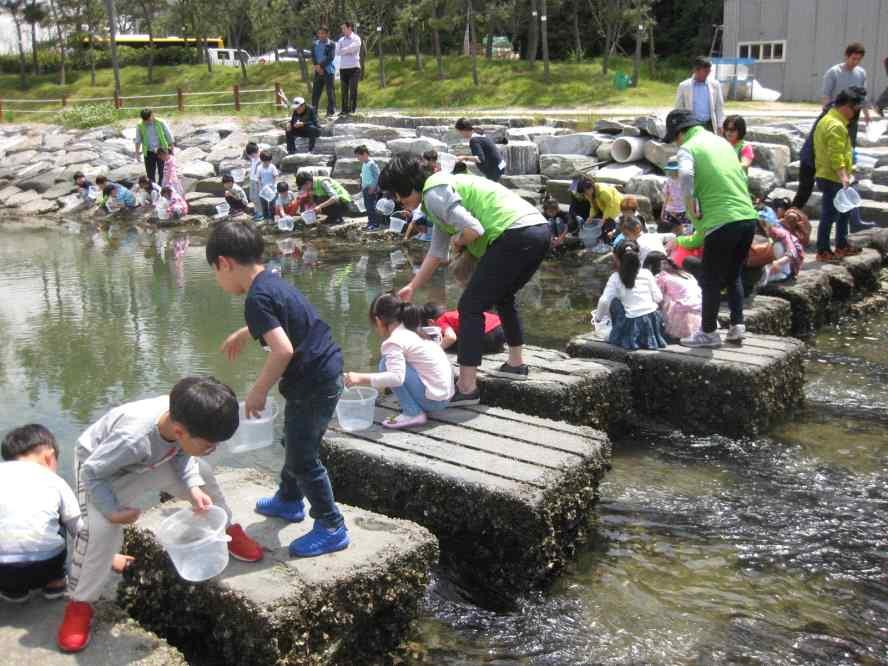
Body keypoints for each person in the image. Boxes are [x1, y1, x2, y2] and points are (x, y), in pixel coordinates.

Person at [57, 377, 262, 653]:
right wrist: (112, 511)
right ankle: (80, 603)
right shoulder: (133, 439)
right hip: (102, 470)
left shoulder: (186, 417)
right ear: (179, 431)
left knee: (203, 473)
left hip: (155, 455)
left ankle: (226, 528)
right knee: (100, 529)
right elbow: (93, 472)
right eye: (210, 445)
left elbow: (182, 454)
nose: (214, 449)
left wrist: (191, 485)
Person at [207, 220, 348, 558]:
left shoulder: (256, 298)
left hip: (312, 379)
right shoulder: (270, 279)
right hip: (322, 372)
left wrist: (258, 390)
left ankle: (331, 525)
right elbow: (284, 316)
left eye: (215, 271)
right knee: (294, 438)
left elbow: (282, 350)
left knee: (303, 457)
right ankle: (288, 499)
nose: (218, 279)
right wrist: (246, 332)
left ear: (225, 263)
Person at [379, 156, 551, 405]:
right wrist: (412, 286)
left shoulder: (434, 194)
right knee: (503, 297)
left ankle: (467, 387)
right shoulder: (436, 196)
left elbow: (474, 229)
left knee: (470, 307)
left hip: (514, 233)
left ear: (408, 185)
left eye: (398, 193)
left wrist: (459, 242)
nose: (397, 199)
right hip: (537, 229)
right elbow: (437, 253)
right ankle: (516, 364)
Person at [664, 108, 758, 348]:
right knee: (733, 274)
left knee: (710, 279)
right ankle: (737, 326)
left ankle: (708, 333)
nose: (675, 143)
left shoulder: (689, 147)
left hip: (721, 220)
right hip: (747, 218)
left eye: (674, 138)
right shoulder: (722, 143)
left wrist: (691, 198)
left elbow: (684, 173)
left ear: (680, 132)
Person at [344, 295, 454, 429]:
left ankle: (413, 413)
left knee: (384, 364)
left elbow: (396, 378)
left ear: (378, 321)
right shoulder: (413, 330)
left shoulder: (394, 341)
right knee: (389, 363)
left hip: (433, 402)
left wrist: (360, 378)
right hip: (444, 398)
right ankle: (416, 408)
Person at [814, 88, 865, 262]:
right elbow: (835, 155)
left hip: (830, 174)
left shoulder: (828, 120)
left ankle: (842, 245)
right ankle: (823, 250)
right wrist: (843, 176)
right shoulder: (835, 125)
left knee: (845, 211)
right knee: (830, 214)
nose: (855, 113)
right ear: (846, 106)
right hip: (832, 177)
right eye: (855, 109)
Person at [594, 240, 667, 350]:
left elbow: (604, 301)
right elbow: (658, 298)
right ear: (638, 255)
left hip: (632, 322)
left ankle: (618, 331)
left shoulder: (615, 277)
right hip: (653, 320)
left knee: (614, 301)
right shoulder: (646, 273)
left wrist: (598, 319)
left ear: (616, 258)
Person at [822, 42, 872, 146]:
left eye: (859, 59)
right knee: (835, 144)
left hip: (853, 115)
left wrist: (866, 114)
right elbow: (826, 95)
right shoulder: (833, 72)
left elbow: (863, 96)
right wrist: (828, 116)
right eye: (853, 58)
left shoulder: (861, 73)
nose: (856, 62)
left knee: (850, 144)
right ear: (846, 56)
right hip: (837, 114)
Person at [420, 302, 506, 354]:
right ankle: (497, 346)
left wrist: (436, 349)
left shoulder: (440, 320)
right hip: (501, 327)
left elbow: (451, 337)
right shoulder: (452, 314)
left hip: (489, 334)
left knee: (454, 345)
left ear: (430, 322)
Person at [674, 56, 725, 134]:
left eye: (709, 71)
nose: (707, 74)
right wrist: (680, 127)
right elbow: (678, 108)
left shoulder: (715, 85)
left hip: (709, 125)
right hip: (692, 126)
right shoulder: (684, 86)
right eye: (705, 71)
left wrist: (720, 125)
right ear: (696, 70)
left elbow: (719, 107)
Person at [569, 176, 622, 251]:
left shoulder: (603, 192)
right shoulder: (589, 194)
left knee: (607, 224)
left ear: (591, 187)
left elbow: (610, 206)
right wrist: (590, 217)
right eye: (583, 193)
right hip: (603, 207)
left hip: (616, 206)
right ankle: (600, 241)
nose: (585, 195)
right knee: (596, 221)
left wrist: (604, 218)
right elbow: (593, 206)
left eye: (586, 192)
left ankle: (608, 244)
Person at [655, 259, 702, 340]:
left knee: (663, 296)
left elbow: (657, 296)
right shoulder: (687, 275)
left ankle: (665, 324)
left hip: (682, 311)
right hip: (699, 309)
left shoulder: (662, 277)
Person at [454, 118, 505, 182]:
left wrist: (464, 157)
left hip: (495, 170)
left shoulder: (474, 140)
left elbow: (480, 159)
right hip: (499, 165)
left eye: (460, 132)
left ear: (464, 130)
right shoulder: (479, 134)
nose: (460, 135)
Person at [133, 108, 175, 185]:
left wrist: (172, 148)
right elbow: (138, 140)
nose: (147, 122)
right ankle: (153, 189)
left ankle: (163, 188)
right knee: (150, 174)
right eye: (145, 120)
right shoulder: (140, 125)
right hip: (149, 152)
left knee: (163, 172)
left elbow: (168, 135)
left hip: (162, 151)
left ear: (152, 115)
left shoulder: (160, 122)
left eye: (148, 119)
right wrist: (137, 153)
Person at [311, 26, 336, 118]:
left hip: (328, 71)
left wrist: (321, 66)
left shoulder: (331, 44)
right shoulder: (314, 44)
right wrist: (317, 67)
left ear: (327, 34)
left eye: (323, 33)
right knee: (315, 92)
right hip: (318, 71)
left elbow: (330, 57)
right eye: (319, 33)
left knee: (330, 92)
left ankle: (330, 111)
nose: (321, 35)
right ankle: (314, 112)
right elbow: (313, 56)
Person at [337, 22, 362, 115]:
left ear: (349, 28)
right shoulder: (340, 40)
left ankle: (352, 109)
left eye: (344, 28)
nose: (342, 30)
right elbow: (337, 52)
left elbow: (354, 48)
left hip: (354, 67)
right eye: (342, 29)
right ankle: (344, 109)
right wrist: (347, 50)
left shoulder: (356, 38)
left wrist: (344, 50)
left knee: (353, 89)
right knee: (344, 90)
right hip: (343, 68)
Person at [660, 158, 690, 233]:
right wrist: (663, 211)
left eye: (674, 171)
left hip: (683, 210)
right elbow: (666, 196)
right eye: (670, 171)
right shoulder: (668, 181)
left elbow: (689, 197)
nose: (671, 173)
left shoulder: (684, 181)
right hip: (670, 210)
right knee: (671, 233)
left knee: (685, 232)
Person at [355, 145, 381, 230]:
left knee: (372, 206)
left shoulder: (371, 164)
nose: (358, 158)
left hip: (371, 189)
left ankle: (375, 223)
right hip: (365, 189)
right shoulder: (364, 164)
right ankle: (370, 222)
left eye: (358, 156)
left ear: (365, 154)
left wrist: (373, 187)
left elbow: (377, 176)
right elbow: (363, 175)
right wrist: (361, 183)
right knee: (367, 206)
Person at [255, 150, 279, 223]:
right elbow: (258, 178)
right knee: (264, 205)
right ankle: (266, 218)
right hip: (263, 190)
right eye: (265, 161)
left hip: (272, 189)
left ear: (270, 160)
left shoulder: (272, 167)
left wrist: (274, 184)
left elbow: (275, 176)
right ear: (262, 160)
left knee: (272, 205)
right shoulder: (259, 168)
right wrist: (259, 186)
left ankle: (272, 218)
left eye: (268, 161)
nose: (266, 163)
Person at [245, 142, 264, 222]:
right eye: (250, 155)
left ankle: (261, 213)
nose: (251, 157)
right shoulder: (253, 158)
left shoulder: (260, 160)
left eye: (252, 155)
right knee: (252, 197)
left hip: (257, 181)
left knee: (257, 198)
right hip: (252, 180)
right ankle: (257, 211)